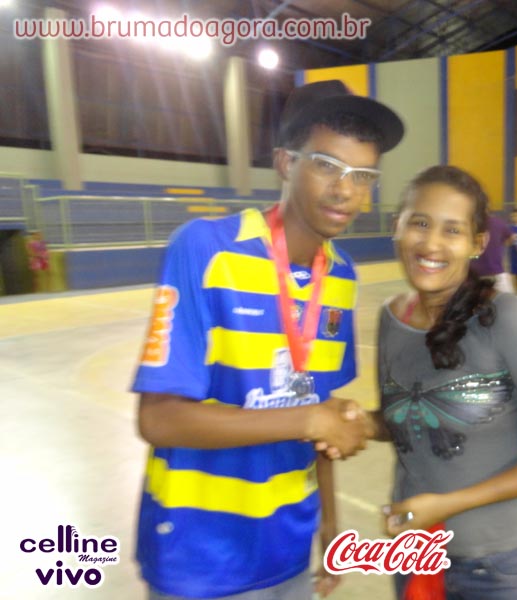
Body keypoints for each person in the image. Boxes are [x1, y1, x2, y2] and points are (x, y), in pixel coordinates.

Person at [130, 79, 404, 600]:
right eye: (326, 165)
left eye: (363, 175)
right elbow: (158, 420)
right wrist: (308, 419)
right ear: (285, 163)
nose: (346, 190)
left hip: (288, 551)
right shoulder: (206, 249)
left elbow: (320, 406)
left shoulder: (341, 275)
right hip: (199, 559)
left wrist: (329, 524)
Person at [367, 165, 517, 600]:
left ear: (477, 243)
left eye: (452, 230)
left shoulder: (506, 319)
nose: (431, 243)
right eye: (419, 223)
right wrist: (360, 423)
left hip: (499, 567)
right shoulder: (390, 318)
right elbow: (405, 419)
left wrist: (447, 505)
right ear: (397, 226)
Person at [471, 212, 513, 293]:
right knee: (507, 299)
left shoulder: (470, 224)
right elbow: (510, 238)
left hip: (479, 275)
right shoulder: (498, 223)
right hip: (494, 273)